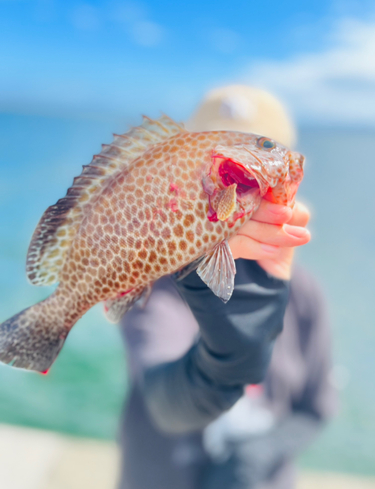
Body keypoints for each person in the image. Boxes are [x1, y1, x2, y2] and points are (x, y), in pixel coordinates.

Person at [118, 86, 335, 489]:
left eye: (252, 165)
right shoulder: (152, 278)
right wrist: (230, 358)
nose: (232, 182)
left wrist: (265, 449)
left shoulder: (304, 294)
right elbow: (166, 402)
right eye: (214, 164)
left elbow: (317, 407)